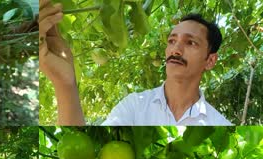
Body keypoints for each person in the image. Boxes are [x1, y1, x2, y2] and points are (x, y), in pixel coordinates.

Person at [39, 0, 232, 126]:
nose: (175, 50)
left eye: (190, 42)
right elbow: (84, 153)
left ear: (210, 60)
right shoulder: (133, 107)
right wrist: (65, 84)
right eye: (172, 41)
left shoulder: (220, 124)